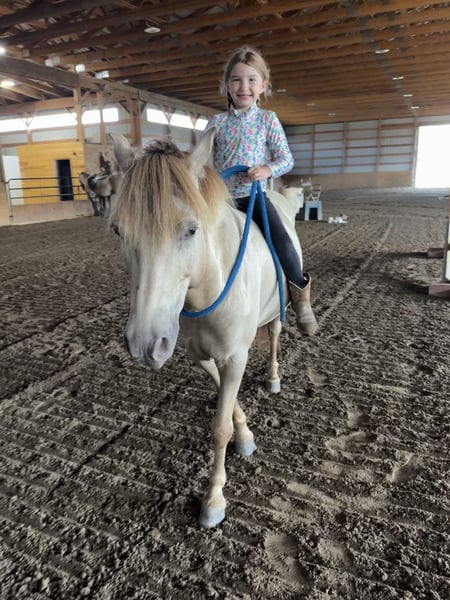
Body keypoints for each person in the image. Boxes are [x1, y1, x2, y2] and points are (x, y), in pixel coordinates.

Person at [204, 46, 318, 335]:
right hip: (221, 200)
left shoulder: (267, 119)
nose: (244, 87)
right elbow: (202, 161)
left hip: (252, 197)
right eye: (236, 80)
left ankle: (301, 299)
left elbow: (286, 159)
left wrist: (267, 170)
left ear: (263, 86)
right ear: (226, 85)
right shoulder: (216, 123)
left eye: (251, 80)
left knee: (282, 239)